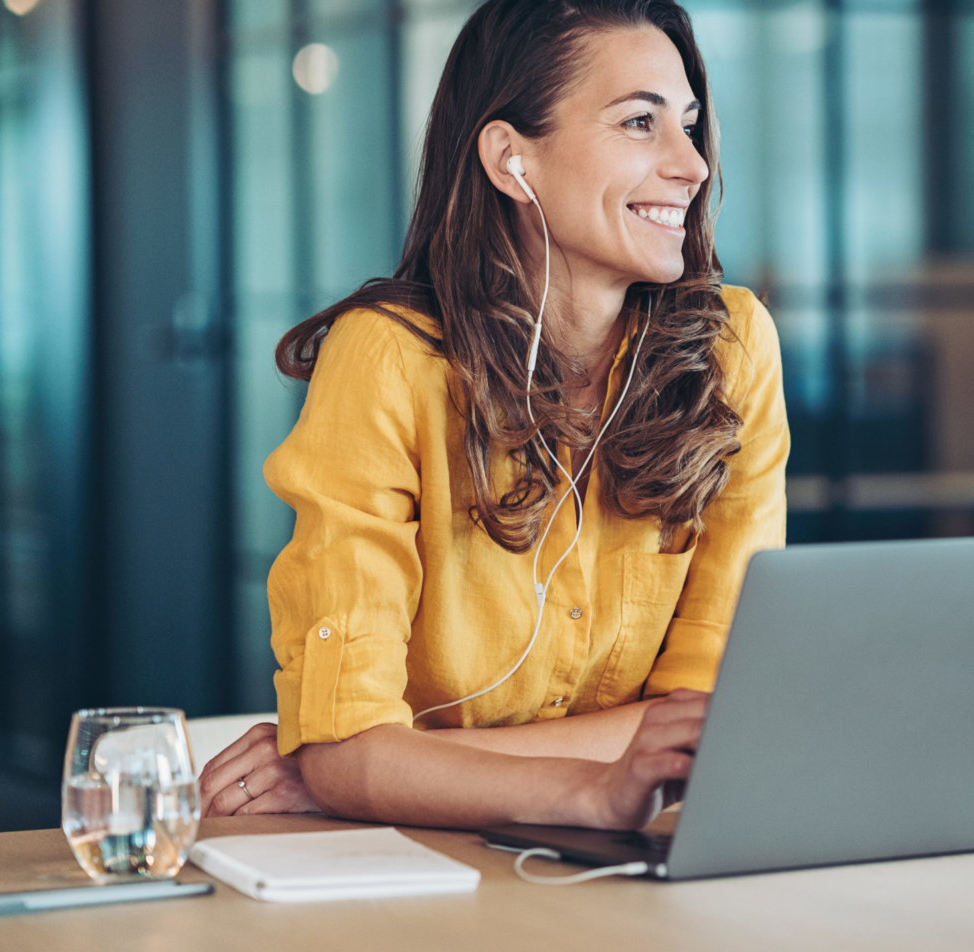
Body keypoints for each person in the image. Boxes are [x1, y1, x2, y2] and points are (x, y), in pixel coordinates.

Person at [197, 0, 787, 832]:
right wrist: (589, 783)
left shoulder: (733, 349)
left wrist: (386, 769)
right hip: (423, 875)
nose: (691, 164)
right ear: (513, 161)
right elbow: (346, 745)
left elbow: (711, 727)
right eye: (640, 122)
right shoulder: (386, 360)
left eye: (689, 124)